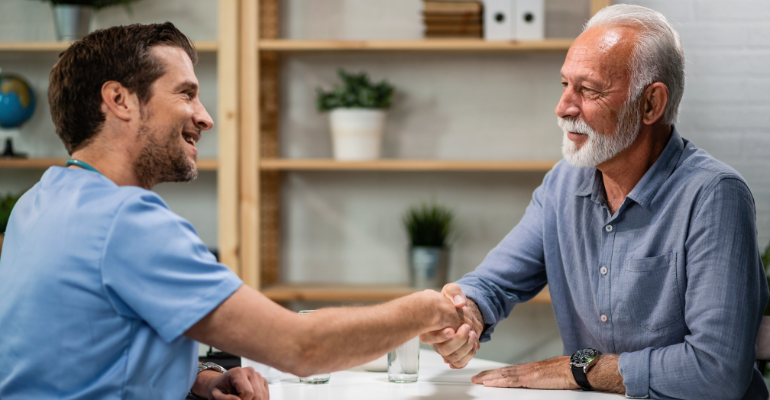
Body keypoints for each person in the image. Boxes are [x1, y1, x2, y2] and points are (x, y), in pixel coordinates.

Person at [0, 23, 470, 400]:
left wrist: (196, 378)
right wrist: (423, 309)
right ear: (119, 100)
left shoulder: (39, 202)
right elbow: (301, 348)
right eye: (185, 93)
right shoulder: (126, 219)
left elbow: (77, 353)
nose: (204, 116)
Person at [421, 5, 770, 399]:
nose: (563, 107)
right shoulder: (562, 185)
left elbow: (716, 369)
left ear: (651, 104)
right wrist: (467, 315)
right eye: (565, 85)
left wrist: (580, 370)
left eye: (588, 90)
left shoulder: (714, 195)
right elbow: (492, 284)